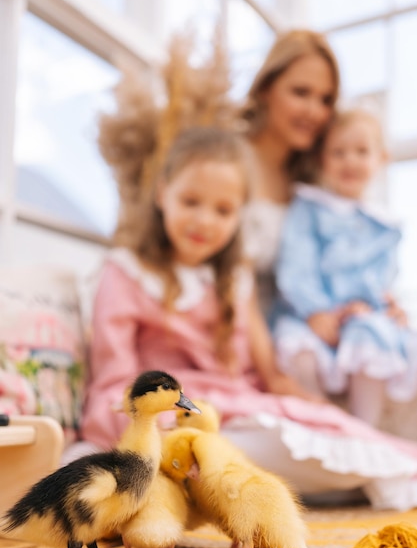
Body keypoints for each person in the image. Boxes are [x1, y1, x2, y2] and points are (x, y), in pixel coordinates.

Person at [69, 124, 417, 512]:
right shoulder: (126, 272)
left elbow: (272, 376)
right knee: (202, 448)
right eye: (191, 201)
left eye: (223, 210)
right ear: (162, 193)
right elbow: (115, 381)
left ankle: (356, 477)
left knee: (327, 438)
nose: (204, 221)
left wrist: (322, 410)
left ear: (239, 215)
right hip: (167, 417)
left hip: (240, 409)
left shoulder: (235, 280)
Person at [272, 108, 417, 428]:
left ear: (382, 158)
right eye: (338, 152)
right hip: (312, 315)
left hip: (359, 315)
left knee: (374, 335)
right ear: (322, 159)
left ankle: (364, 429)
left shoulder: (384, 224)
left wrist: (384, 303)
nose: (349, 161)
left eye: (361, 152)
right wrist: (315, 310)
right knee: (298, 349)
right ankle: (321, 422)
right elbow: (296, 265)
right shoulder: (310, 208)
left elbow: (382, 279)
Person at [240, 29, 340, 322]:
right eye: (301, 92)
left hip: (291, 340)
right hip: (231, 342)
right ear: (265, 89)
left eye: (326, 99)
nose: (314, 111)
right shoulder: (224, 160)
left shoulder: (313, 184)